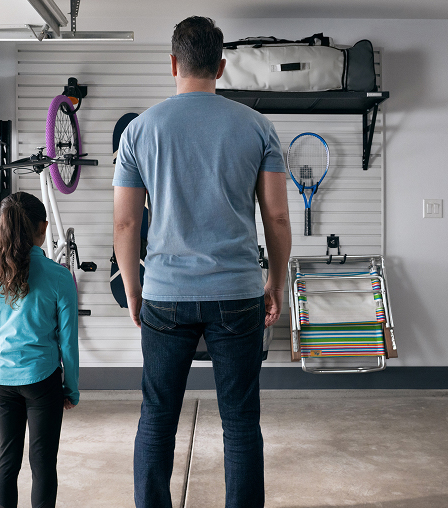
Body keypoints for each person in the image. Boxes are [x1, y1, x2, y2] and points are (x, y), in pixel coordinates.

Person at [112, 15, 292, 508]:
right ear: (221, 66)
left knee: (157, 417)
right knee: (239, 422)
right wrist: (275, 282)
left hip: (165, 295)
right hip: (237, 294)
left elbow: (126, 225)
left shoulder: (139, 131)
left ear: (172, 63)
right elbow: (276, 217)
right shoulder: (257, 127)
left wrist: (133, 288)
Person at [0, 191, 79, 508]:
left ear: (3, 228)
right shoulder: (60, 277)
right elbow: (68, 340)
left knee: (7, 459)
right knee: (43, 463)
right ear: (43, 228)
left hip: (1, 380)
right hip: (42, 381)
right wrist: (71, 388)